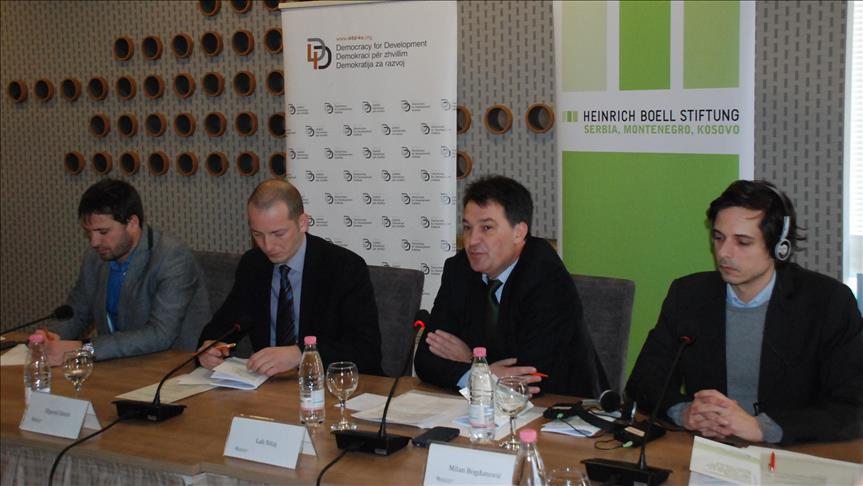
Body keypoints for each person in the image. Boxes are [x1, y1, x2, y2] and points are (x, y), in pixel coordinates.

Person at [626, 180, 863, 444]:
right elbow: (643, 381)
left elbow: (852, 408)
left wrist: (762, 428)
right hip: (707, 451)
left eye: (743, 242)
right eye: (718, 238)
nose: (724, 253)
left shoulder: (828, 302)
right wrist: (684, 412)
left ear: (779, 247)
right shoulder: (689, 295)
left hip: (794, 453)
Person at [414, 175, 602, 396]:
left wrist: (473, 362)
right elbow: (425, 360)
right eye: (467, 228)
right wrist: (483, 373)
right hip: (481, 406)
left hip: (558, 405)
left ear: (518, 232)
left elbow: (530, 377)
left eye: (486, 228)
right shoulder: (459, 270)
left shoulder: (546, 277)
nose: (472, 241)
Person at [198, 179, 382, 376]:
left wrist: (301, 354)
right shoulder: (253, 265)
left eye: (278, 234)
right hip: (268, 385)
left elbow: (366, 350)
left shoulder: (343, 267)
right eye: (257, 234)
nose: (267, 246)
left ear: (302, 223)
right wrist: (210, 349)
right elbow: (223, 328)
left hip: (329, 383)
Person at [36, 179, 210, 366]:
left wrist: (85, 349)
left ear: (132, 223)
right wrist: (52, 336)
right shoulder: (95, 258)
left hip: (172, 367)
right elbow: (76, 312)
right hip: (116, 365)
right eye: (89, 233)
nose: (94, 242)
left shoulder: (172, 257)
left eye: (103, 232)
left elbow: (160, 334)